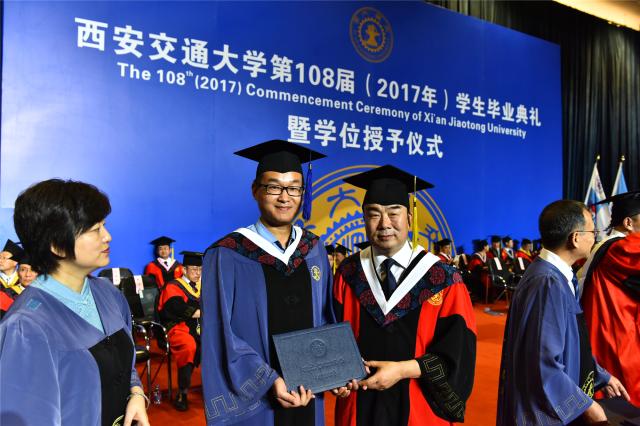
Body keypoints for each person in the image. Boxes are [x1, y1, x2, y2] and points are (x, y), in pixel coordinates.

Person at [201, 140, 338, 426]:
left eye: (294, 188)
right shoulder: (227, 253)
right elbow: (220, 333)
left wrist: (335, 370)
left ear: (303, 193)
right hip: (259, 399)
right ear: (255, 190)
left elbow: (326, 317)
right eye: (274, 187)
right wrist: (269, 380)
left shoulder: (314, 249)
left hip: (308, 392)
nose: (285, 197)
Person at [333, 165, 477, 426]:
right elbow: (330, 338)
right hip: (359, 404)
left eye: (393, 213)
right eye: (373, 214)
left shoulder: (443, 279)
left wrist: (401, 370)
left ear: (409, 218)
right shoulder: (349, 274)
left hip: (419, 410)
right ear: (364, 219)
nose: (384, 223)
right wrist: (335, 377)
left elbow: (459, 353)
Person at [0, 179, 149, 426]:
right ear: (57, 246)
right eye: (95, 229)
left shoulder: (109, 294)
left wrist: (136, 393)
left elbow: (126, 365)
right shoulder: (26, 327)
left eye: (104, 226)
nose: (108, 236)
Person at [497, 200, 628, 425]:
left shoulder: (558, 276)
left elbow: (571, 342)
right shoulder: (547, 283)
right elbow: (543, 363)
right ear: (575, 238)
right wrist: (586, 405)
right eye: (593, 231)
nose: (595, 237)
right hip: (541, 413)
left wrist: (601, 375)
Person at [580, 190, 640, 406]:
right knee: (622, 404)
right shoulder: (619, 248)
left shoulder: (604, 246)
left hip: (609, 330)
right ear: (628, 223)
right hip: (615, 338)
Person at [157, 250, 203, 411]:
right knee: (189, 346)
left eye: (200, 269)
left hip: (201, 327)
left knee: (219, 343)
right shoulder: (173, 286)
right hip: (177, 327)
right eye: (194, 269)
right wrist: (205, 311)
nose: (198, 273)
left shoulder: (203, 286)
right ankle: (182, 392)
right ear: (184, 270)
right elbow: (177, 308)